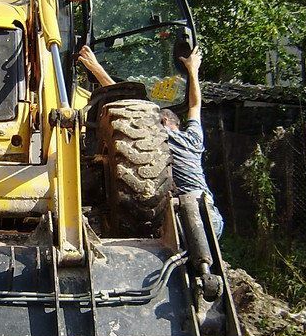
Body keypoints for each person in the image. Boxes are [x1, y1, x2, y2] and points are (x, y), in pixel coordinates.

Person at [77, 43, 225, 238]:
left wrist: (96, 68)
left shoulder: (156, 138)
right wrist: (193, 69)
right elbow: (195, 104)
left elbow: (124, 100)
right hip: (211, 215)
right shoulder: (193, 140)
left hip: (180, 215)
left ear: (162, 122)